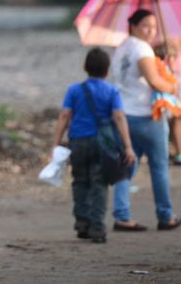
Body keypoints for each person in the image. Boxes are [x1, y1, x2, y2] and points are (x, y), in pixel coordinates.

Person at [50, 48, 135, 244]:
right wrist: (128, 146)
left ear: (85, 68)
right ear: (107, 70)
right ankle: (97, 227)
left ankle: (82, 222)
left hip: (78, 142)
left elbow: (64, 116)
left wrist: (55, 144)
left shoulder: (74, 90)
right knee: (99, 184)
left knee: (80, 181)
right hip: (102, 144)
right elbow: (119, 117)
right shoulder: (112, 91)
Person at [110, 9, 181, 232]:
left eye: (153, 27)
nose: (151, 31)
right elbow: (154, 81)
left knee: (125, 167)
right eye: (145, 26)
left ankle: (121, 215)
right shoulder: (142, 48)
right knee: (159, 167)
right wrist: (172, 85)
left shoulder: (121, 48)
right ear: (132, 25)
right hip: (146, 116)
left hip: (124, 115)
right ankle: (165, 215)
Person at [157, 36, 181, 165]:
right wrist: (162, 46)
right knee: (163, 115)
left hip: (179, 75)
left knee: (179, 114)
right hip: (162, 75)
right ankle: (163, 151)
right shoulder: (156, 30)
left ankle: (180, 150)